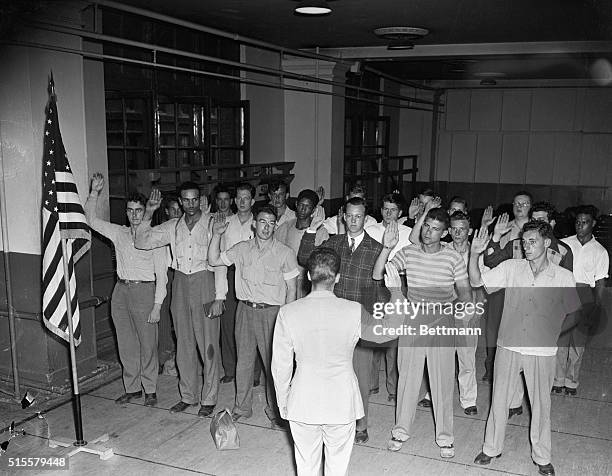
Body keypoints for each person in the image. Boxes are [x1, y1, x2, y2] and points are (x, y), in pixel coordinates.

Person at [272, 249, 405, 476]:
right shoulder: (353, 311)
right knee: (337, 467)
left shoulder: (288, 312)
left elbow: (280, 366)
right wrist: (396, 292)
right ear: (338, 277)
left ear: (307, 276)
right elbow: (391, 330)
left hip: (303, 402)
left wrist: (283, 401)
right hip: (341, 403)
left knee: (306, 466)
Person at [470, 221, 581, 476]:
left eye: (532, 242)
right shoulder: (511, 268)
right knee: (498, 400)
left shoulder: (563, 276)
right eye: (524, 242)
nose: (527, 247)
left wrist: (552, 334)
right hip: (508, 345)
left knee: (541, 406)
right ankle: (490, 448)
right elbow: (477, 282)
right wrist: (475, 254)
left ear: (547, 243)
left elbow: (574, 314)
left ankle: (542, 457)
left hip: (541, 352)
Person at [373, 208, 473, 458]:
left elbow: (464, 290)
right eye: (426, 226)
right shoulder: (408, 253)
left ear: (445, 232)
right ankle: (400, 430)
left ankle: (446, 437)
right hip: (413, 317)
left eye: (435, 229)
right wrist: (387, 248)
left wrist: (464, 313)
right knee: (407, 377)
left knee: (442, 380)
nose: (428, 233)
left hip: (442, 318)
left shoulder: (453, 257)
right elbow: (378, 274)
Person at [298, 197, 385, 445]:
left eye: (359, 216)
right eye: (350, 216)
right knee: (328, 373)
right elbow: (305, 259)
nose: (354, 221)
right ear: (343, 216)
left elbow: (378, 288)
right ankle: (329, 418)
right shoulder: (333, 243)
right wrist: (312, 229)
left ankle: (361, 425)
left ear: (365, 217)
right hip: (330, 321)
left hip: (360, 321)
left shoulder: (375, 248)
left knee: (360, 376)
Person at [135, 182, 223, 417]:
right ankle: (188, 396)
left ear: (200, 199)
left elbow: (221, 261)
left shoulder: (213, 223)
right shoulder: (173, 226)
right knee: (184, 343)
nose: (191, 204)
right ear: (180, 202)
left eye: (195, 199)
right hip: (181, 283)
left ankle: (209, 398)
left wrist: (220, 296)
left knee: (209, 345)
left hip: (206, 282)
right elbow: (141, 241)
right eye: (186, 200)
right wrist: (149, 213)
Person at [209, 205, 299, 428]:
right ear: (254, 224)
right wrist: (217, 235)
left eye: (271, 223)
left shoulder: (285, 253)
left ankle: (277, 411)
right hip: (245, 311)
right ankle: (242, 407)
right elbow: (213, 260)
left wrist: (287, 321)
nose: (266, 227)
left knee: (274, 365)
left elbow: (292, 290)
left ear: (275, 226)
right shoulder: (241, 249)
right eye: (262, 222)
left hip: (272, 313)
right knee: (244, 362)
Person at [85, 173, 167, 407]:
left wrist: (157, 305)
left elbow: (162, 275)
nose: (134, 215)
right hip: (120, 291)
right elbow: (91, 220)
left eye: (138, 210)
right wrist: (94, 193)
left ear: (146, 211)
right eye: (130, 210)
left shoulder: (155, 237)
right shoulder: (119, 233)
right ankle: (132, 388)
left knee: (147, 343)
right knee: (126, 343)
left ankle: (150, 389)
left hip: (145, 292)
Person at [555, 205, 609, 395]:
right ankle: (557, 379)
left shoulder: (600, 251)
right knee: (561, 339)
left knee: (578, 342)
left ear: (593, 224)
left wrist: (597, 306)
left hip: (585, 294)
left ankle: (571, 381)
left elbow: (600, 281)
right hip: (564, 292)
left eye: (584, 222)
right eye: (577, 222)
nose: (580, 226)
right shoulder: (564, 244)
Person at [364, 192, 412, 402]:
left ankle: (393, 387)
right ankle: (372, 383)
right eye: (385, 209)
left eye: (393, 210)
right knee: (373, 331)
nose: (389, 213)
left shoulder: (409, 233)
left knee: (394, 336)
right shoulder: (370, 230)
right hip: (375, 284)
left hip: (399, 284)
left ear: (400, 212)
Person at [481, 191, 533, 384]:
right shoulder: (503, 227)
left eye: (524, 204)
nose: (520, 207)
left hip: (525, 289)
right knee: (493, 327)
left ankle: (519, 371)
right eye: (517, 203)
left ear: (530, 207)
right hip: (501, 286)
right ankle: (491, 366)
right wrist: (489, 229)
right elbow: (489, 255)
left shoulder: (535, 229)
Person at [275, 188, 329, 298]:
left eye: (308, 206)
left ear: (313, 210)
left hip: (307, 282)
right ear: (296, 204)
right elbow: (275, 251)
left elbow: (322, 263)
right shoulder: (286, 226)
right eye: (301, 205)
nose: (303, 209)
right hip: (286, 279)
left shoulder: (320, 232)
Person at [158, 195, 182, 371]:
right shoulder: (160, 230)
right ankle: (164, 354)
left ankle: (180, 355)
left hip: (180, 274)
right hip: (164, 274)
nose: (176, 212)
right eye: (172, 209)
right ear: (166, 211)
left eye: (178, 209)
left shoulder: (185, 229)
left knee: (179, 315)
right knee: (163, 316)